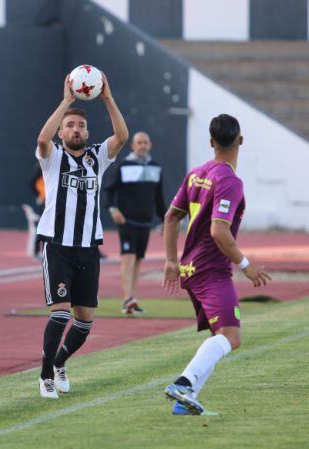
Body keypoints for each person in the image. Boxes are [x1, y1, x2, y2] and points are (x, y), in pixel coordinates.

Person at [162, 114, 270, 415]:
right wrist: (246, 264)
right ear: (241, 140)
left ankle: (186, 402)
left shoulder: (196, 173)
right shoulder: (229, 181)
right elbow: (218, 230)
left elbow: (171, 217)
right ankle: (184, 384)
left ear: (211, 142)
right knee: (231, 337)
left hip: (191, 269)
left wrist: (172, 260)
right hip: (212, 270)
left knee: (218, 336)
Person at [35, 72, 128, 399]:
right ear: (62, 131)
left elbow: (122, 135)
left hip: (89, 248)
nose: (76, 129)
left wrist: (106, 97)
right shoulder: (53, 158)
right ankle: (45, 375)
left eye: (80, 126)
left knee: (85, 322)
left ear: (87, 132)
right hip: (57, 246)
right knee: (60, 314)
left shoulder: (97, 157)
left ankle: (60, 362)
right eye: (70, 125)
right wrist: (66, 103)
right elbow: (42, 140)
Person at [104, 131, 166, 315]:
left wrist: (164, 219)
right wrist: (113, 209)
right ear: (132, 146)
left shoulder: (156, 168)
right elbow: (108, 190)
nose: (142, 146)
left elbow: (159, 198)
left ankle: (132, 297)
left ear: (150, 145)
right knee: (128, 257)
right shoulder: (123, 165)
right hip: (127, 220)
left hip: (145, 222)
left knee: (138, 259)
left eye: (145, 142)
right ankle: (126, 299)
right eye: (139, 142)